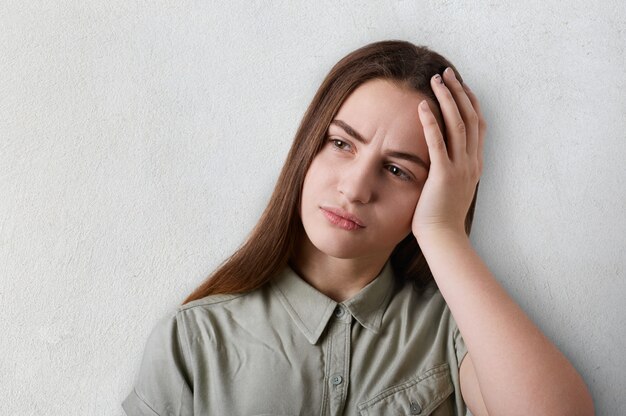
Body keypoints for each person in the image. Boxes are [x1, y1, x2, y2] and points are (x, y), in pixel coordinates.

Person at [122, 40, 594, 415]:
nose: (355, 188)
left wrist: (444, 232)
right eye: (342, 143)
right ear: (309, 145)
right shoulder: (194, 338)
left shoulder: (454, 332)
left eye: (398, 170)